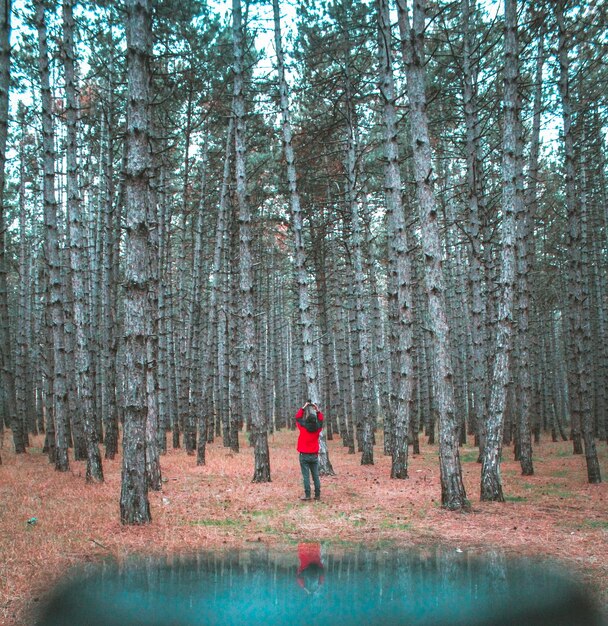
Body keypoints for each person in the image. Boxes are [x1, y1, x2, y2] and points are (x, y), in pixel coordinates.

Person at [295, 400, 324, 501]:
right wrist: (317, 410)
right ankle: (317, 494)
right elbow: (321, 420)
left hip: (304, 456)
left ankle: (307, 495)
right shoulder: (317, 429)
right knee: (315, 475)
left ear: (307, 420)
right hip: (314, 456)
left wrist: (304, 407)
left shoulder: (303, 427)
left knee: (306, 476)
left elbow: (298, 418)